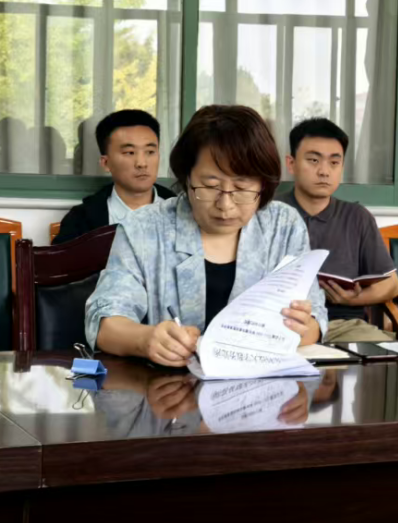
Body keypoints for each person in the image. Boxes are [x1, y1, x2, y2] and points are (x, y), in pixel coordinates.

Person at [85, 104, 326, 365]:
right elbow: (104, 323)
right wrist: (145, 340)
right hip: (167, 385)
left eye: (242, 188)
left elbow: (315, 319)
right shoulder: (144, 228)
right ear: (187, 177)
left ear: (263, 184)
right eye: (210, 186)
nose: (226, 205)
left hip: (260, 384)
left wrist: (302, 328)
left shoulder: (283, 226)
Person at [280, 117, 398, 342]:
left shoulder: (357, 217)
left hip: (342, 326)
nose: (324, 171)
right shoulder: (271, 214)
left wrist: (352, 299)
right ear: (291, 163)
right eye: (313, 160)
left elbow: (391, 284)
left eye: (334, 162)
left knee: (384, 354)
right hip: (285, 321)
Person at [54, 109, 175, 244]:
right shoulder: (81, 220)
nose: (142, 163)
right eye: (130, 152)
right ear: (106, 163)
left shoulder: (182, 212)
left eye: (150, 152)